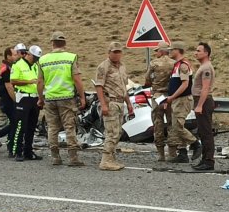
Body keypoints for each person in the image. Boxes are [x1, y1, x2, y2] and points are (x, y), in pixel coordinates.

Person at [37, 31, 86, 166]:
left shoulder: (43, 60)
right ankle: (73, 157)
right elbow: (77, 79)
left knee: (52, 127)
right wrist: (82, 97)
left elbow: (40, 82)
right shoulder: (71, 58)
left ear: (52, 43)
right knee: (69, 126)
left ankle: (55, 157)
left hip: (50, 98)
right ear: (64, 43)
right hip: (67, 98)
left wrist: (40, 98)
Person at [94, 42, 135, 171]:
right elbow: (99, 86)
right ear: (109, 53)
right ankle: (105, 160)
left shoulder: (122, 67)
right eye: (114, 52)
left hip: (120, 102)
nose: (117, 54)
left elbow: (124, 87)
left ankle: (111, 158)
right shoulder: (103, 66)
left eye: (119, 52)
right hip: (110, 102)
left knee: (118, 132)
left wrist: (128, 103)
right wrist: (103, 105)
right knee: (112, 132)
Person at [162, 41, 201, 163]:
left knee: (177, 126)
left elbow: (185, 84)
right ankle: (182, 152)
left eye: (171, 50)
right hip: (177, 100)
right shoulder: (177, 65)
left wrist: (172, 97)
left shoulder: (183, 65)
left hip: (182, 100)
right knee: (178, 125)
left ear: (177, 50)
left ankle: (195, 143)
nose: (169, 52)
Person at [9, 45, 43, 162]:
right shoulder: (18, 65)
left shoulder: (35, 66)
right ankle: (17, 151)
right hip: (23, 98)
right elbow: (13, 81)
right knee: (20, 126)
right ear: (29, 55)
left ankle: (28, 151)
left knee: (32, 126)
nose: (36, 60)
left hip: (34, 98)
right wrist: (29, 82)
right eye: (35, 58)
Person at [0, 45, 24, 154]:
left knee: (14, 123)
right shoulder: (6, 69)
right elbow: (9, 87)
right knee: (16, 123)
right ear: (8, 56)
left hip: (6, 99)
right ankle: (10, 146)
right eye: (14, 54)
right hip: (8, 100)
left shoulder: (9, 67)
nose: (17, 56)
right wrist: (16, 101)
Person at [144, 41, 174, 161]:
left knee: (158, 124)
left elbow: (147, 79)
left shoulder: (154, 64)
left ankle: (161, 154)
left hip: (157, 96)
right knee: (172, 124)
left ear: (161, 51)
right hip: (171, 97)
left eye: (157, 51)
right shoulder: (174, 63)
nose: (156, 53)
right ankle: (172, 152)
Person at [191, 42, 216, 171]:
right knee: (202, 131)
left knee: (206, 132)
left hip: (204, 102)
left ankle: (208, 161)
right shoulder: (203, 66)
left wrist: (200, 105)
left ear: (206, 53)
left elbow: (205, 88)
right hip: (201, 101)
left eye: (198, 50)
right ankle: (204, 159)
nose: (196, 52)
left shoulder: (206, 68)